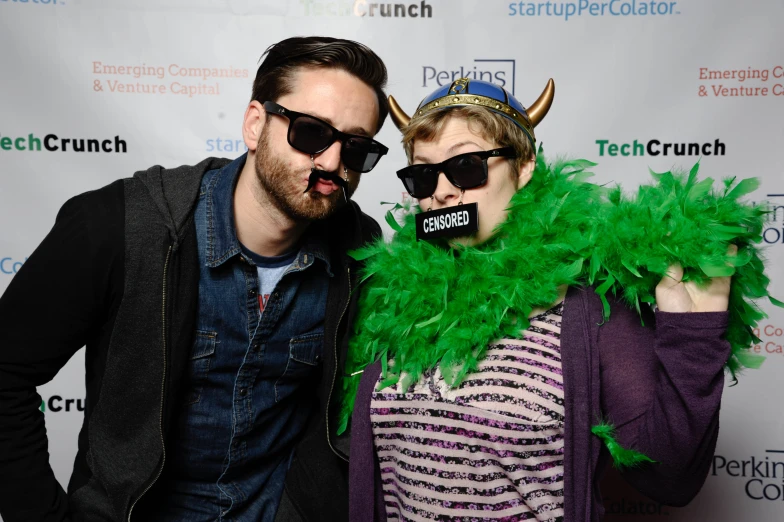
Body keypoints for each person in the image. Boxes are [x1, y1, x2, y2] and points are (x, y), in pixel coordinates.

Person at [341, 77, 771, 521]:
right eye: (423, 173)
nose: (443, 191)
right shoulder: (395, 299)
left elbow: (670, 479)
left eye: (467, 166)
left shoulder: (590, 307)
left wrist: (693, 338)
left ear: (523, 167)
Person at [0, 36, 389, 522]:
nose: (332, 163)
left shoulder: (360, 249)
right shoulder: (119, 226)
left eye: (355, 148)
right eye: (310, 133)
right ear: (255, 124)